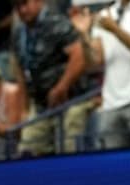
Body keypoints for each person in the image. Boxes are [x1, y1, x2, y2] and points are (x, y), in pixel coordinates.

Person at [12, 0, 89, 156]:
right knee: (27, 151)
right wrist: (23, 109)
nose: (22, 9)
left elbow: (79, 56)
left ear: (39, 2)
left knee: (69, 152)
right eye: (18, 6)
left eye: (25, 4)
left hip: (70, 100)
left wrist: (62, 86)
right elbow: (20, 72)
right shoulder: (18, 33)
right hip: (40, 104)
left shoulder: (56, 23)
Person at [71, 0, 130, 150]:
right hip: (111, 105)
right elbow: (94, 63)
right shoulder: (106, 15)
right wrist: (84, 35)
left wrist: (115, 30)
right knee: (116, 169)